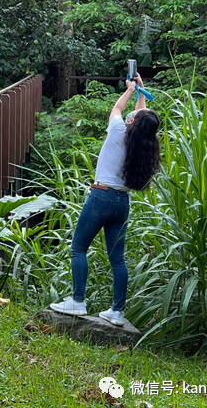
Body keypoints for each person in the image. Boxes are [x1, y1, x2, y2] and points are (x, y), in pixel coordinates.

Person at [50, 74, 161, 326]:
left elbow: (117, 109)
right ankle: (117, 312)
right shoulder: (143, 143)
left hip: (101, 197)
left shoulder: (118, 130)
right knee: (118, 259)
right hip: (122, 203)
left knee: (78, 248)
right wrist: (141, 91)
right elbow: (139, 117)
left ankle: (78, 302)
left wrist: (131, 90)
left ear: (132, 122)